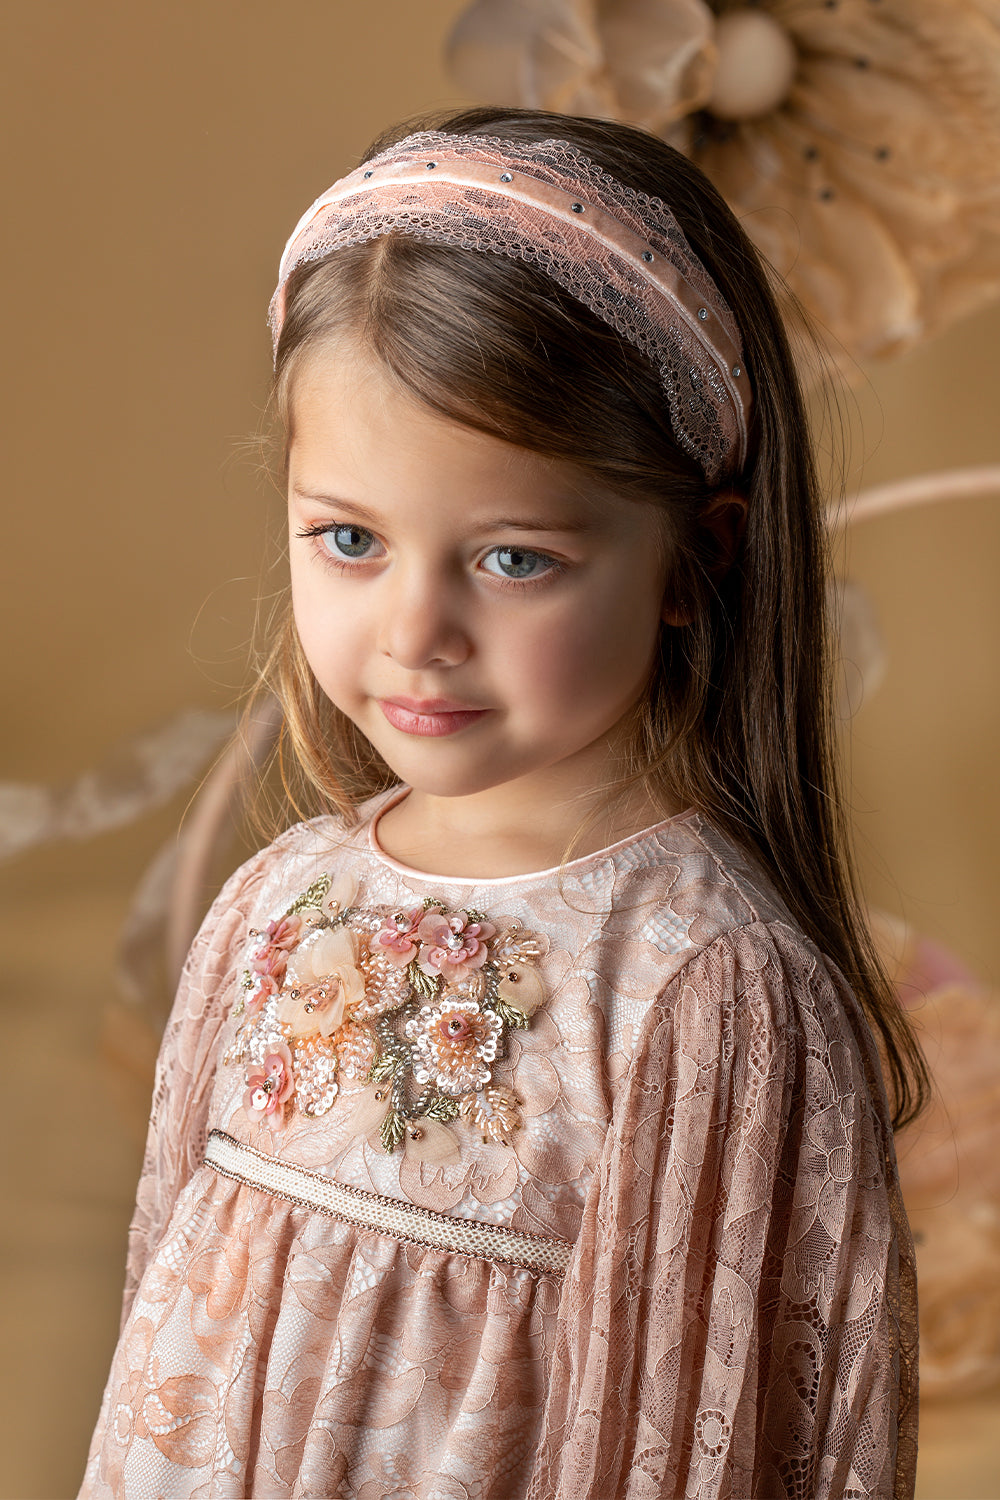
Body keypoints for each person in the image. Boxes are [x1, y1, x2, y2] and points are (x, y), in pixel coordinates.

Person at [80, 107, 925, 1499]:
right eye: (350, 540)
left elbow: (704, 1445)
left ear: (687, 562)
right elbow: (162, 1349)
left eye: (515, 559)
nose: (418, 630)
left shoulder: (702, 986)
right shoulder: (276, 905)